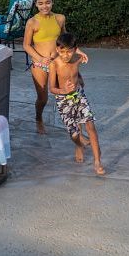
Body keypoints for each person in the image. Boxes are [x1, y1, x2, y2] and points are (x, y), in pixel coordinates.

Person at [23, 0, 87, 134]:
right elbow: (26, 45)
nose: (44, 6)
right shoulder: (32, 22)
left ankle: (76, 127)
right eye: (40, 3)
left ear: (52, 2)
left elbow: (66, 40)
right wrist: (40, 58)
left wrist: (78, 51)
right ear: (36, 4)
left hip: (59, 63)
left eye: (47, 2)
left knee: (71, 93)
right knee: (43, 98)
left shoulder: (60, 18)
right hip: (40, 64)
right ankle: (39, 119)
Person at [49, 33, 105, 175]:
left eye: (69, 51)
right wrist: (64, 90)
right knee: (74, 135)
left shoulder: (77, 59)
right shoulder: (54, 64)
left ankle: (97, 161)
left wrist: (80, 78)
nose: (65, 55)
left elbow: (75, 71)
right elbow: (52, 88)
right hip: (63, 100)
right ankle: (79, 145)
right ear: (57, 49)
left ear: (75, 49)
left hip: (79, 95)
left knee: (90, 126)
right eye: (62, 51)